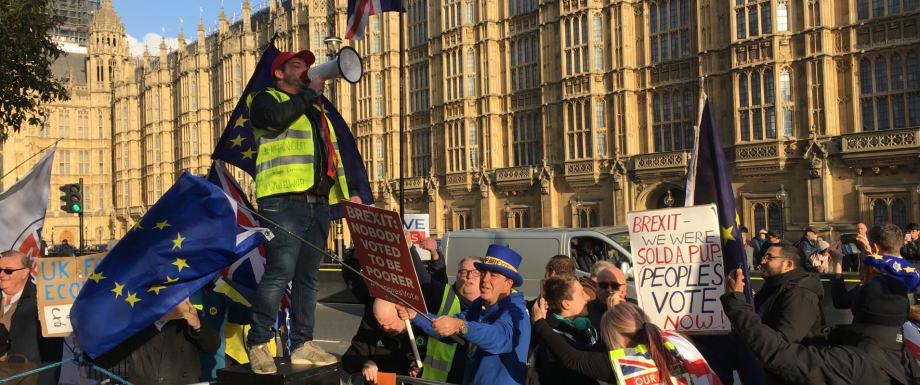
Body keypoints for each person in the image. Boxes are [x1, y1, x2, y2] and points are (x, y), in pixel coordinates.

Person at [245, 48, 362, 374]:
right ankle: (258, 342)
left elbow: (331, 155)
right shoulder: (264, 99)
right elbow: (274, 121)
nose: (305, 69)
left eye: (307, 66)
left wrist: (347, 193)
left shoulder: (315, 110)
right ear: (279, 73)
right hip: (282, 199)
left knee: (308, 279)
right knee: (279, 272)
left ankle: (302, 344)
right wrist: (310, 93)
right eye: (297, 65)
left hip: (317, 203)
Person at [722, 268, 920, 384]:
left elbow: (778, 354)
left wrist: (737, 303)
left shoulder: (851, 363)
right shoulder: (905, 356)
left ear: (859, 309)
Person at [397, 244, 531, 385]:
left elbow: (497, 337)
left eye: (493, 275)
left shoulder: (516, 311)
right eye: (483, 272)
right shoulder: (480, 305)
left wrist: (461, 326)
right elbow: (449, 328)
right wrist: (415, 315)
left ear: (508, 284)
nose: (485, 279)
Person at [530, 297, 721, 384]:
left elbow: (572, 358)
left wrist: (540, 323)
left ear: (615, 335)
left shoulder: (624, 365)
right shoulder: (674, 341)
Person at [94, 298, 221, 385]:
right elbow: (110, 357)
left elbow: (212, 346)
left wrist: (197, 326)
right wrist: (90, 351)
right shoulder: (136, 322)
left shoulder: (189, 316)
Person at [0, 250, 62, 385]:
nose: (1, 274)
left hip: (27, 374)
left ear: (25, 272)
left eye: (8, 271)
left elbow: (52, 353)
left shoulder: (42, 301)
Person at [418, 256, 482, 383]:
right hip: (438, 379)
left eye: (475, 272)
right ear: (457, 276)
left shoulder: (493, 306)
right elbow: (422, 278)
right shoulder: (443, 294)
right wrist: (409, 248)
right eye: (463, 272)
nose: (468, 276)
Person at [530, 275, 599, 385]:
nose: (587, 297)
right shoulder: (554, 340)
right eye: (582, 293)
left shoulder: (582, 328)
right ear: (566, 304)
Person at [341, 299, 425, 384]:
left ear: (402, 315)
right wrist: (365, 363)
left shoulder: (421, 330)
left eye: (389, 324)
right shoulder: (371, 326)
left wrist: (420, 369)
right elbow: (349, 357)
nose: (385, 328)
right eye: (380, 324)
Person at [755, 243, 825, 346]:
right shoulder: (774, 286)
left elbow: (784, 343)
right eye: (764, 257)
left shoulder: (800, 294)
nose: (762, 261)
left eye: (769, 257)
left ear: (788, 265)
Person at [587, 264, 629, 328]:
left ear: (625, 288)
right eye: (603, 285)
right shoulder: (588, 310)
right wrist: (612, 313)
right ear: (596, 287)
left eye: (615, 285)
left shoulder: (635, 310)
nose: (609, 290)